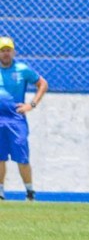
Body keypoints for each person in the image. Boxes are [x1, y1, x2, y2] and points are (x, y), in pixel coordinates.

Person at [0, 36, 47, 202]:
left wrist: (31, 105)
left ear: (13, 52)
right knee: (0, 157)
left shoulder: (22, 69)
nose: (5, 54)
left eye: (8, 50)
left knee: (22, 156)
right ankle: (0, 193)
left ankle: (29, 192)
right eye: (2, 51)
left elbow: (42, 84)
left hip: (15, 119)